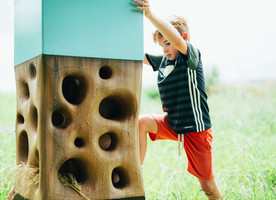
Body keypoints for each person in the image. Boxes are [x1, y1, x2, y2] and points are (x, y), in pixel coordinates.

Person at [134, 0, 222, 199]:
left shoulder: (190, 56)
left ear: (183, 38)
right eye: (161, 44)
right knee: (142, 122)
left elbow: (177, 41)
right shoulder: (164, 61)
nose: (165, 49)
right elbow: (136, 56)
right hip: (173, 123)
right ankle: (136, 170)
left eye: (168, 43)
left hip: (195, 129)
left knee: (207, 184)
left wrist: (150, 15)